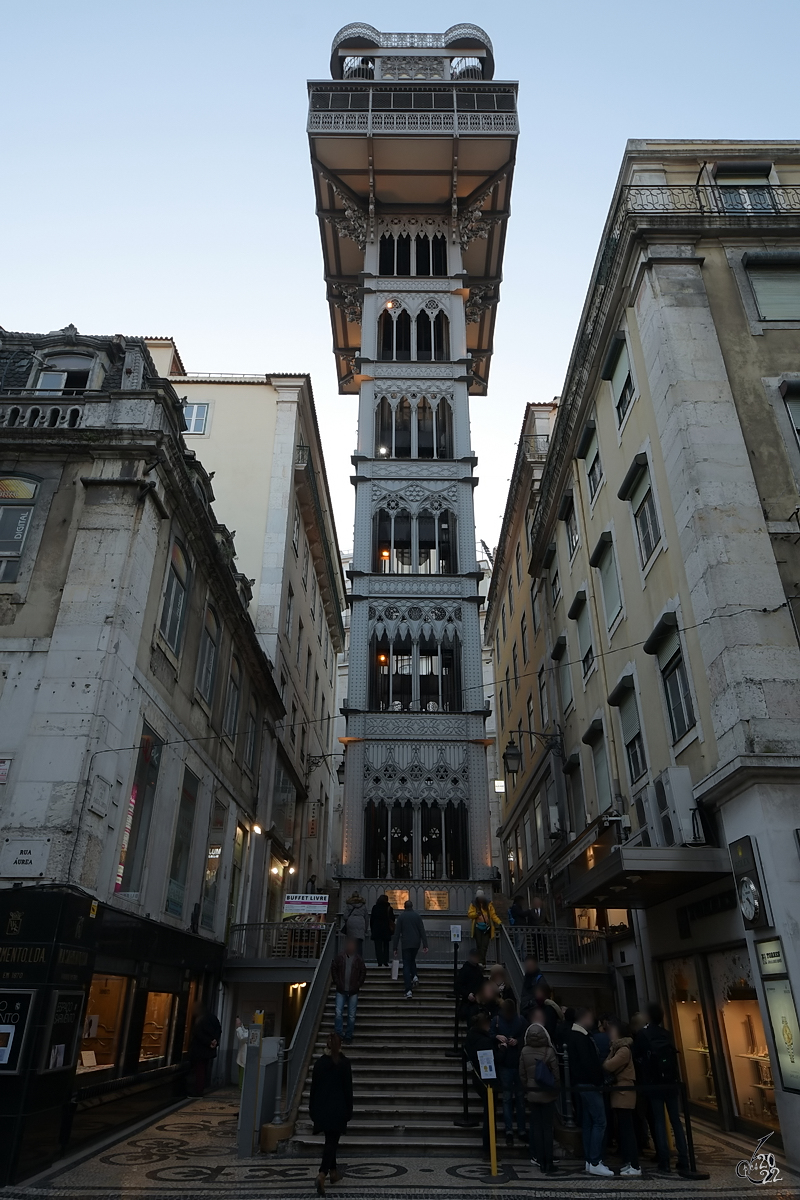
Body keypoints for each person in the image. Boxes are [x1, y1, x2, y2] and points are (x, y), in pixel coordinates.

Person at [634, 1002, 690, 1176]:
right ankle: (684, 1158)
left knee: (658, 1121)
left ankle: (664, 1160)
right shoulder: (666, 1034)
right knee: (675, 1120)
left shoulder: (643, 1034)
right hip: (670, 1082)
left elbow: (637, 1057)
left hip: (654, 1083)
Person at [567, 1006, 613, 1176]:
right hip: (588, 1084)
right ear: (584, 1018)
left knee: (588, 1122)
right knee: (600, 1121)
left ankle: (590, 1160)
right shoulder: (581, 1037)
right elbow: (588, 1063)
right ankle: (594, 1160)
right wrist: (598, 1082)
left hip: (581, 1084)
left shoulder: (578, 1036)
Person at [309, 1032, 353, 1196]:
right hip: (338, 1108)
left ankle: (334, 1173)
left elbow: (313, 1089)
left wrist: (312, 1108)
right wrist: (349, 1109)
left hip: (322, 1108)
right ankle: (322, 1174)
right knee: (332, 1142)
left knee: (330, 1139)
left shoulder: (320, 1064)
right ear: (340, 1045)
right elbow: (348, 1089)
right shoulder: (344, 1063)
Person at [519, 1021, 560, 1175]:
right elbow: (556, 1074)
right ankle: (548, 1161)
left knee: (536, 1128)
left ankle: (539, 1159)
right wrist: (555, 1089)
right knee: (547, 1129)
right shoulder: (549, 1051)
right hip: (548, 1094)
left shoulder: (524, 1051)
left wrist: (528, 1088)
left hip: (532, 1094)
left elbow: (522, 1074)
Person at [604, 1018, 641, 1177]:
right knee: (624, 1129)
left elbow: (608, 1065)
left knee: (627, 1130)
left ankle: (634, 1164)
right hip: (619, 1092)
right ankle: (629, 1162)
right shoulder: (617, 1048)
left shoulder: (624, 1050)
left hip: (624, 1092)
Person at [490, 997, 527, 1146]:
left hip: (510, 1062)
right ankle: (518, 1130)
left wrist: (515, 1041)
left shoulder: (498, 1019)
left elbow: (524, 1037)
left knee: (510, 1099)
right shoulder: (518, 1019)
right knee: (517, 1098)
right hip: (513, 1061)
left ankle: (511, 1130)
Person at [464, 1010, 498, 1158]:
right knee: (490, 1115)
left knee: (488, 1114)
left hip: (477, 1077)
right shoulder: (484, 1041)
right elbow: (491, 1061)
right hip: (487, 1081)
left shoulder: (471, 1036)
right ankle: (489, 1149)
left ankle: (488, 1148)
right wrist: (501, 1049)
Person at [331, 938, 366, 1044]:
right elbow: (334, 968)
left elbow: (363, 972)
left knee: (350, 1015)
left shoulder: (357, 959)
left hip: (351, 990)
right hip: (343, 989)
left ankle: (348, 1035)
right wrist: (337, 981)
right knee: (340, 1013)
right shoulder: (340, 958)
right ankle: (339, 1034)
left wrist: (358, 984)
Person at [392, 899, 428, 998]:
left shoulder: (401, 917)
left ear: (404, 907)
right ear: (412, 906)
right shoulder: (417, 916)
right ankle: (415, 976)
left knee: (406, 965)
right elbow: (422, 930)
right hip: (416, 943)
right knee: (412, 960)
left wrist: (395, 947)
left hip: (406, 943)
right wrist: (425, 945)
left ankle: (408, 989)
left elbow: (397, 933)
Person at [187, 1002, 222, 1097]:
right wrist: (215, 1041)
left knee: (200, 1070)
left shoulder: (201, 1020)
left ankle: (198, 1091)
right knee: (203, 1069)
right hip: (208, 1051)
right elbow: (218, 1029)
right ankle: (200, 1088)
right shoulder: (213, 1018)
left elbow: (199, 1034)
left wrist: (209, 1042)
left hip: (200, 1050)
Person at [467, 889, 501, 966]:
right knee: (479, 945)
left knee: (484, 945)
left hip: (486, 927)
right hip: (477, 927)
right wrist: (476, 914)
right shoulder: (473, 905)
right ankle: (481, 962)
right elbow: (469, 914)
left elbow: (493, 915)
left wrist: (499, 922)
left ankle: (481, 961)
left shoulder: (489, 905)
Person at [456, 948, 485, 1026]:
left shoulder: (478, 970)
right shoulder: (465, 970)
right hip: (468, 1003)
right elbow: (458, 985)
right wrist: (467, 994)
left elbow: (482, 983)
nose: (476, 958)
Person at [519, 955, 548, 1022]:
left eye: (530, 965)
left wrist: (530, 1004)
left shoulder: (539, 979)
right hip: (525, 1012)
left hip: (533, 1013)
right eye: (527, 965)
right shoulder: (527, 978)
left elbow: (541, 997)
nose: (528, 967)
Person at [369, 893, 394, 967]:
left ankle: (379, 962)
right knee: (386, 946)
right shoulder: (389, 908)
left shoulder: (375, 907)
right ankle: (385, 961)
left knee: (378, 947)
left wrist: (372, 928)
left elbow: (372, 919)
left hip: (377, 929)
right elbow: (392, 918)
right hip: (386, 929)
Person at [342, 892, 368, 956]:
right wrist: (366, 929)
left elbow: (345, 916)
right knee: (359, 943)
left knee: (351, 942)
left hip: (351, 923)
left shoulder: (349, 905)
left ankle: (351, 958)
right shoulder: (363, 906)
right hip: (361, 923)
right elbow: (366, 918)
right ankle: (359, 959)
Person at [235, 1015, 249, 1090]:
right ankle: (242, 1089)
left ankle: (242, 1089)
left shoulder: (251, 1033)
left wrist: (239, 1027)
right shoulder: (246, 1031)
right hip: (243, 1056)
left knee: (243, 1075)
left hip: (245, 1057)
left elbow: (242, 1037)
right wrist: (240, 1026)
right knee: (241, 1073)